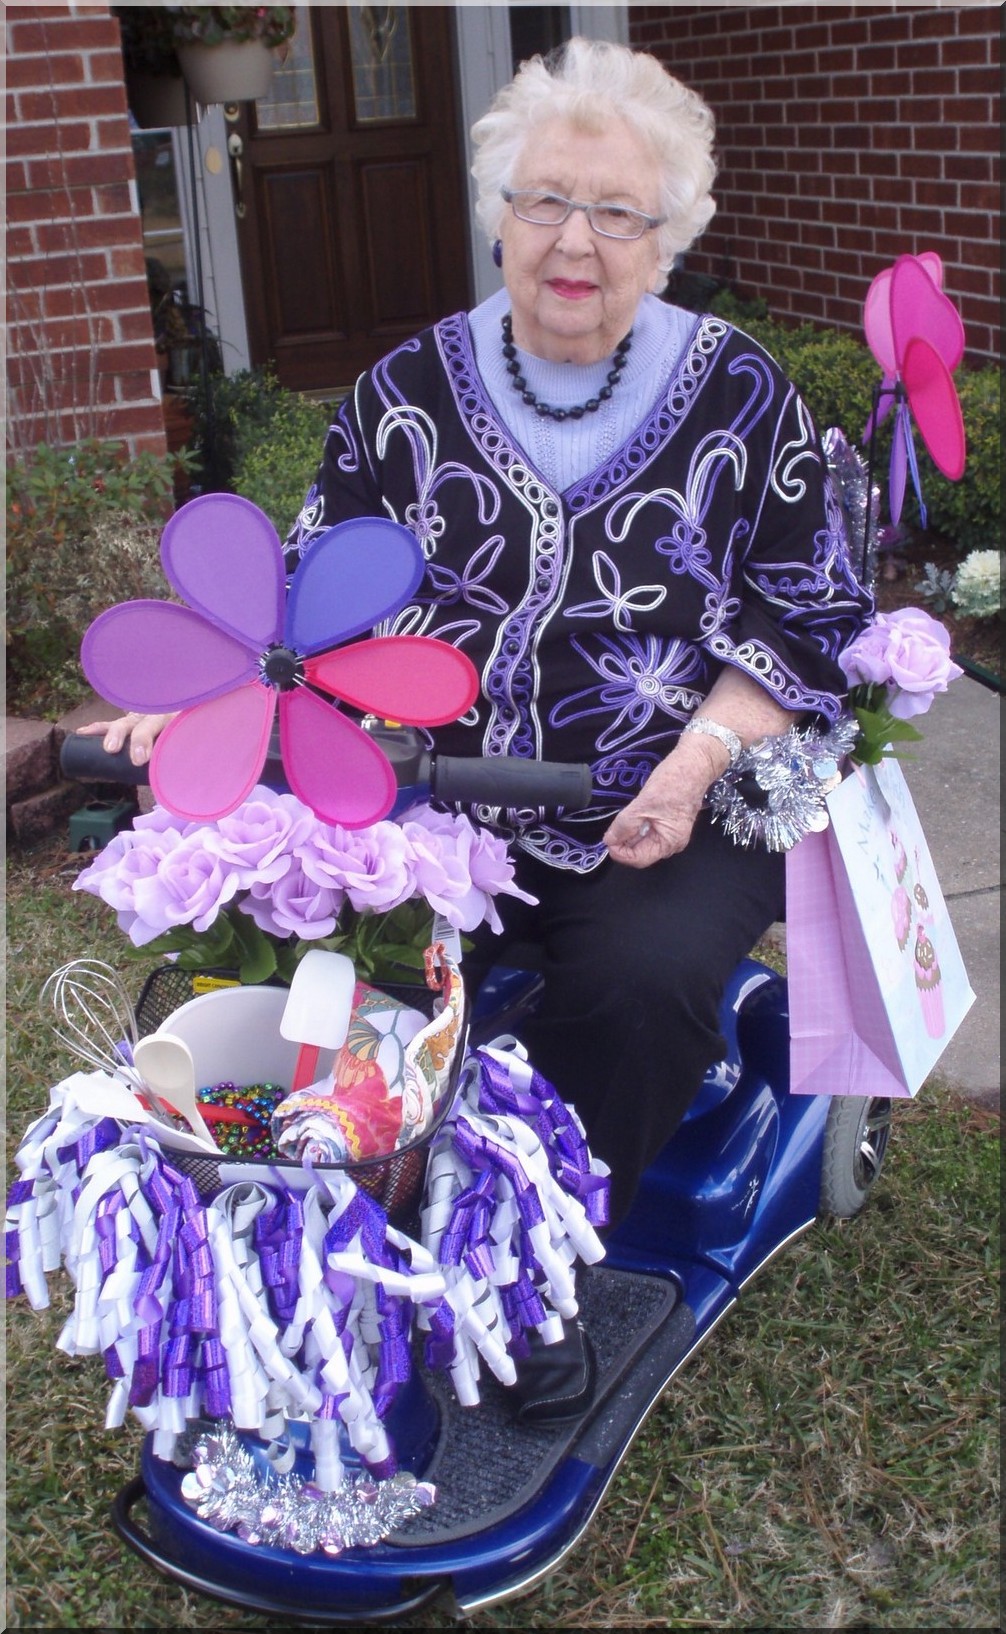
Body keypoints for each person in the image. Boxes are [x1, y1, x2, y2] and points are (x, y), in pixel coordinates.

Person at [87, 39, 872, 1421]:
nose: (574, 241)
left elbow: (809, 614)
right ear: (497, 213)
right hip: (434, 795)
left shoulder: (743, 394)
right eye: (543, 199)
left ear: (670, 237)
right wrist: (202, 705)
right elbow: (306, 605)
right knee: (330, 987)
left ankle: (531, 1271)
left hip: (670, 794)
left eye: (617, 212)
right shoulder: (404, 394)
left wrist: (693, 763)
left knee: (636, 986)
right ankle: (355, 1237)